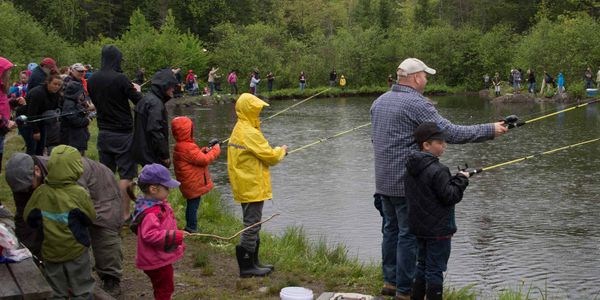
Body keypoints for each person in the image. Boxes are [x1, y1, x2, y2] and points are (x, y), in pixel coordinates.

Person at [370, 58, 506, 299]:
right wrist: (490, 130)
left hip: (383, 182)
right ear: (414, 78)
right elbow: (449, 133)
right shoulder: (416, 103)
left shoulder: (379, 102)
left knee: (390, 231)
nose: (427, 79)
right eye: (425, 75)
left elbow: (375, 140)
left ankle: (390, 283)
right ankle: (404, 290)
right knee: (407, 235)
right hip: (407, 185)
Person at [5, 152, 125, 297]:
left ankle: (110, 278)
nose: (25, 190)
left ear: (36, 170)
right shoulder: (23, 182)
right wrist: (29, 252)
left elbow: (75, 214)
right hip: (78, 193)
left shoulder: (64, 173)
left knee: (103, 230)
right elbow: (25, 217)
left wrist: (73, 249)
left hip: (100, 187)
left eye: (27, 186)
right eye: (21, 189)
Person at [405, 122, 470, 300]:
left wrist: (455, 179)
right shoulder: (439, 170)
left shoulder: (410, 167)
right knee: (435, 269)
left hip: (419, 228)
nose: (444, 146)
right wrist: (461, 180)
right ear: (426, 145)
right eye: (440, 143)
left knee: (422, 265)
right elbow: (450, 197)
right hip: (439, 230)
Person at [23, 145, 96, 299]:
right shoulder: (78, 193)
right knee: (82, 288)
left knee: (56, 291)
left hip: (51, 251)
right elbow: (90, 217)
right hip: (76, 249)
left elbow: (28, 217)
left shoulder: (41, 192)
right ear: (76, 167)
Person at [227, 93, 288, 277]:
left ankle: (253, 261)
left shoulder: (241, 127)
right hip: (251, 184)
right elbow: (270, 156)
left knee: (254, 223)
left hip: (245, 182)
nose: (259, 113)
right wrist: (282, 151)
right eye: (257, 110)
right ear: (249, 110)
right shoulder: (249, 132)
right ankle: (247, 267)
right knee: (252, 224)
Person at [88, 45, 143, 222]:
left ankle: (106, 211)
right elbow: (139, 101)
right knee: (126, 175)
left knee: (106, 174)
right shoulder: (120, 79)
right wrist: (137, 90)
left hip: (104, 132)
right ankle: (125, 214)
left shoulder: (92, 79)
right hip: (124, 133)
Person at [131, 163, 188, 300]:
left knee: (163, 287)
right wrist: (176, 236)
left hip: (157, 257)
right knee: (165, 288)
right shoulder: (151, 212)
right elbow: (150, 235)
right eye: (167, 187)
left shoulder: (153, 203)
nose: (169, 190)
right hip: (156, 260)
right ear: (153, 189)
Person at [171, 116, 221, 233]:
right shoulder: (188, 147)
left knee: (191, 204)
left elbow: (196, 157)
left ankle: (190, 226)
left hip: (188, 183)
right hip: (192, 183)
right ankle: (191, 228)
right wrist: (215, 150)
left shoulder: (181, 145)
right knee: (193, 206)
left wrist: (204, 150)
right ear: (188, 131)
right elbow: (203, 160)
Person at [133, 69, 179, 168]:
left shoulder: (146, 99)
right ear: (165, 86)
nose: (173, 89)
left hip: (142, 151)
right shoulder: (156, 104)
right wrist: (164, 154)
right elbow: (155, 130)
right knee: (158, 182)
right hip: (151, 154)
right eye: (172, 86)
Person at [26, 74, 63, 156]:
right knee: (32, 146)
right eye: (55, 84)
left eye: (59, 85)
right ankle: (29, 165)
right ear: (48, 83)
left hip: (42, 120)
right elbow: (31, 114)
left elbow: (56, 108)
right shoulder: (37, 93)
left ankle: (39, 165)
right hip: (27, 120)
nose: (57, 87)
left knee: (41, 146)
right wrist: (35, 131)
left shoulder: (56, 94)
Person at [61, 81, 91, 155]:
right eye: (81, 92)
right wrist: (87, 120)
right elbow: (73, 120)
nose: (82, 94)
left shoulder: (74, 102)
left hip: (77, 137)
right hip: (73, 139)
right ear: (75, 93)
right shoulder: (69, 104)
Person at [0, 57, 17, 174]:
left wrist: (13, 102)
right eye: (8, 71)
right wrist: (6, 122)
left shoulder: (2, 87)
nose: (9, 73)